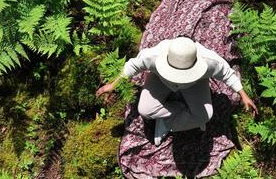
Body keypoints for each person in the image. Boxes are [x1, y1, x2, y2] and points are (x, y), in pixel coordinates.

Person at [96, 36, 258, 146]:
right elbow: (132, 65)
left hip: (194, 84)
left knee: (205, 116)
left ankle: (166, 122)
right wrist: (113, 85)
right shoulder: (153, 56)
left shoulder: (209, 62)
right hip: (160, 80)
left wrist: (243, 94)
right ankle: (178, 112)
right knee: (144, 110)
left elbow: (227, 73)